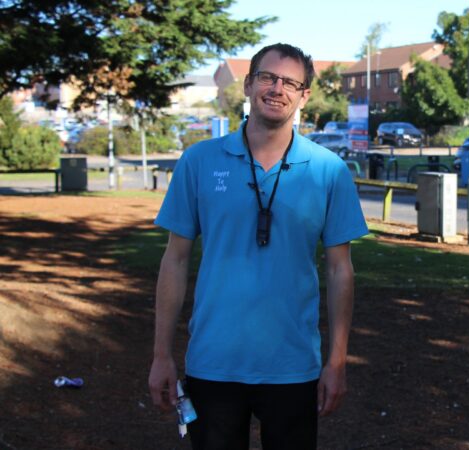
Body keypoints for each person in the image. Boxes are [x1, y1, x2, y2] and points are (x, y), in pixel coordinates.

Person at [148, 43, 368, 449]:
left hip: (293, 366)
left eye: (290, 83)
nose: (277, 89)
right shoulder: (199, 161)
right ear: (248, 84)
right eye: (268, 77)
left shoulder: (329, 171)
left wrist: (337, 361)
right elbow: (175, 260)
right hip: (213, 363)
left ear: (304, 95)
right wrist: (162, 354)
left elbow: (340, 270)